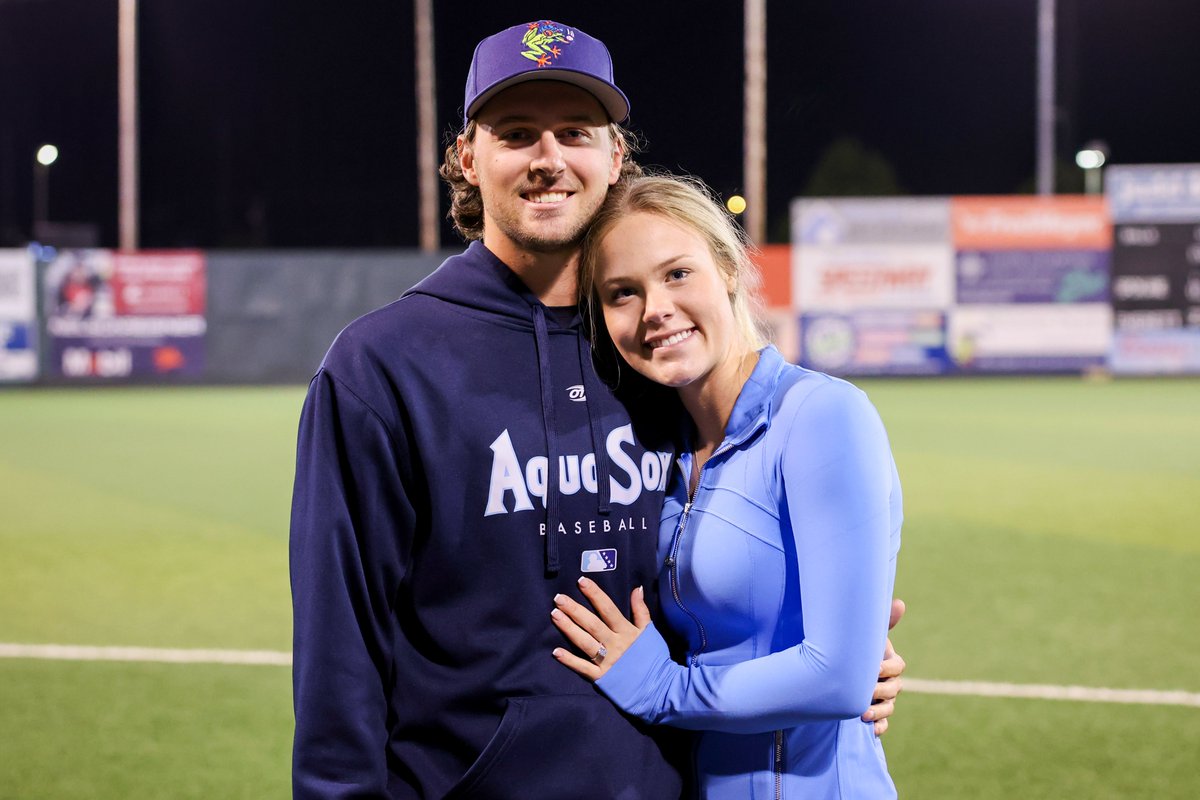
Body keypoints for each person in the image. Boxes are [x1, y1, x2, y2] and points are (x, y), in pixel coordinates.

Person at [290, 20, 904, 799]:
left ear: (615, 157)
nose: (549, 159)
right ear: (468, 159)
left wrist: (830, 666)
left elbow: (723, 582)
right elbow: (339, 639)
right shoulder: (383, 365)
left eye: (575, 132)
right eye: (516, 134)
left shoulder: (656, 357)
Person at [549, 174, 903, 798]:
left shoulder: (820, 416)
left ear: (731, 269)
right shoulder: (662, 454)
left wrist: (664, 689)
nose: (655, 308)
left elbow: (840, 677)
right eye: (622, 292)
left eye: (678, 273)